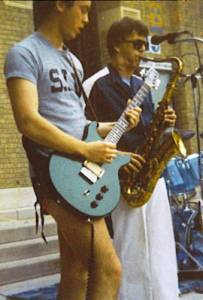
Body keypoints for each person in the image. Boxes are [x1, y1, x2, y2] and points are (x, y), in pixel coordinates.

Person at [4, 3, 142, 300]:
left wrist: (118, 124)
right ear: (60, 4)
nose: (87, 19)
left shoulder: (74, 63)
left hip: (79, 173)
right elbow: (27, 120)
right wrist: (85, 149)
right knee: (109, 269)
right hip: (53, 172)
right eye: (82, 9)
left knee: (77, 268)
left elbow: (80, 124)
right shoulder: (25, 53)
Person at [85, 17, 180, 300]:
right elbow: (90, 136)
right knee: (130, 249)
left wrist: (164, 122)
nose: (142, 51)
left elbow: (147, 129)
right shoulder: (98, 85)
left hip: (152, 175)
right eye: (137, 44)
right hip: (123, 179)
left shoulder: (143, 84)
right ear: (116, 45)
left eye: (145, 44)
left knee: (161, 248)